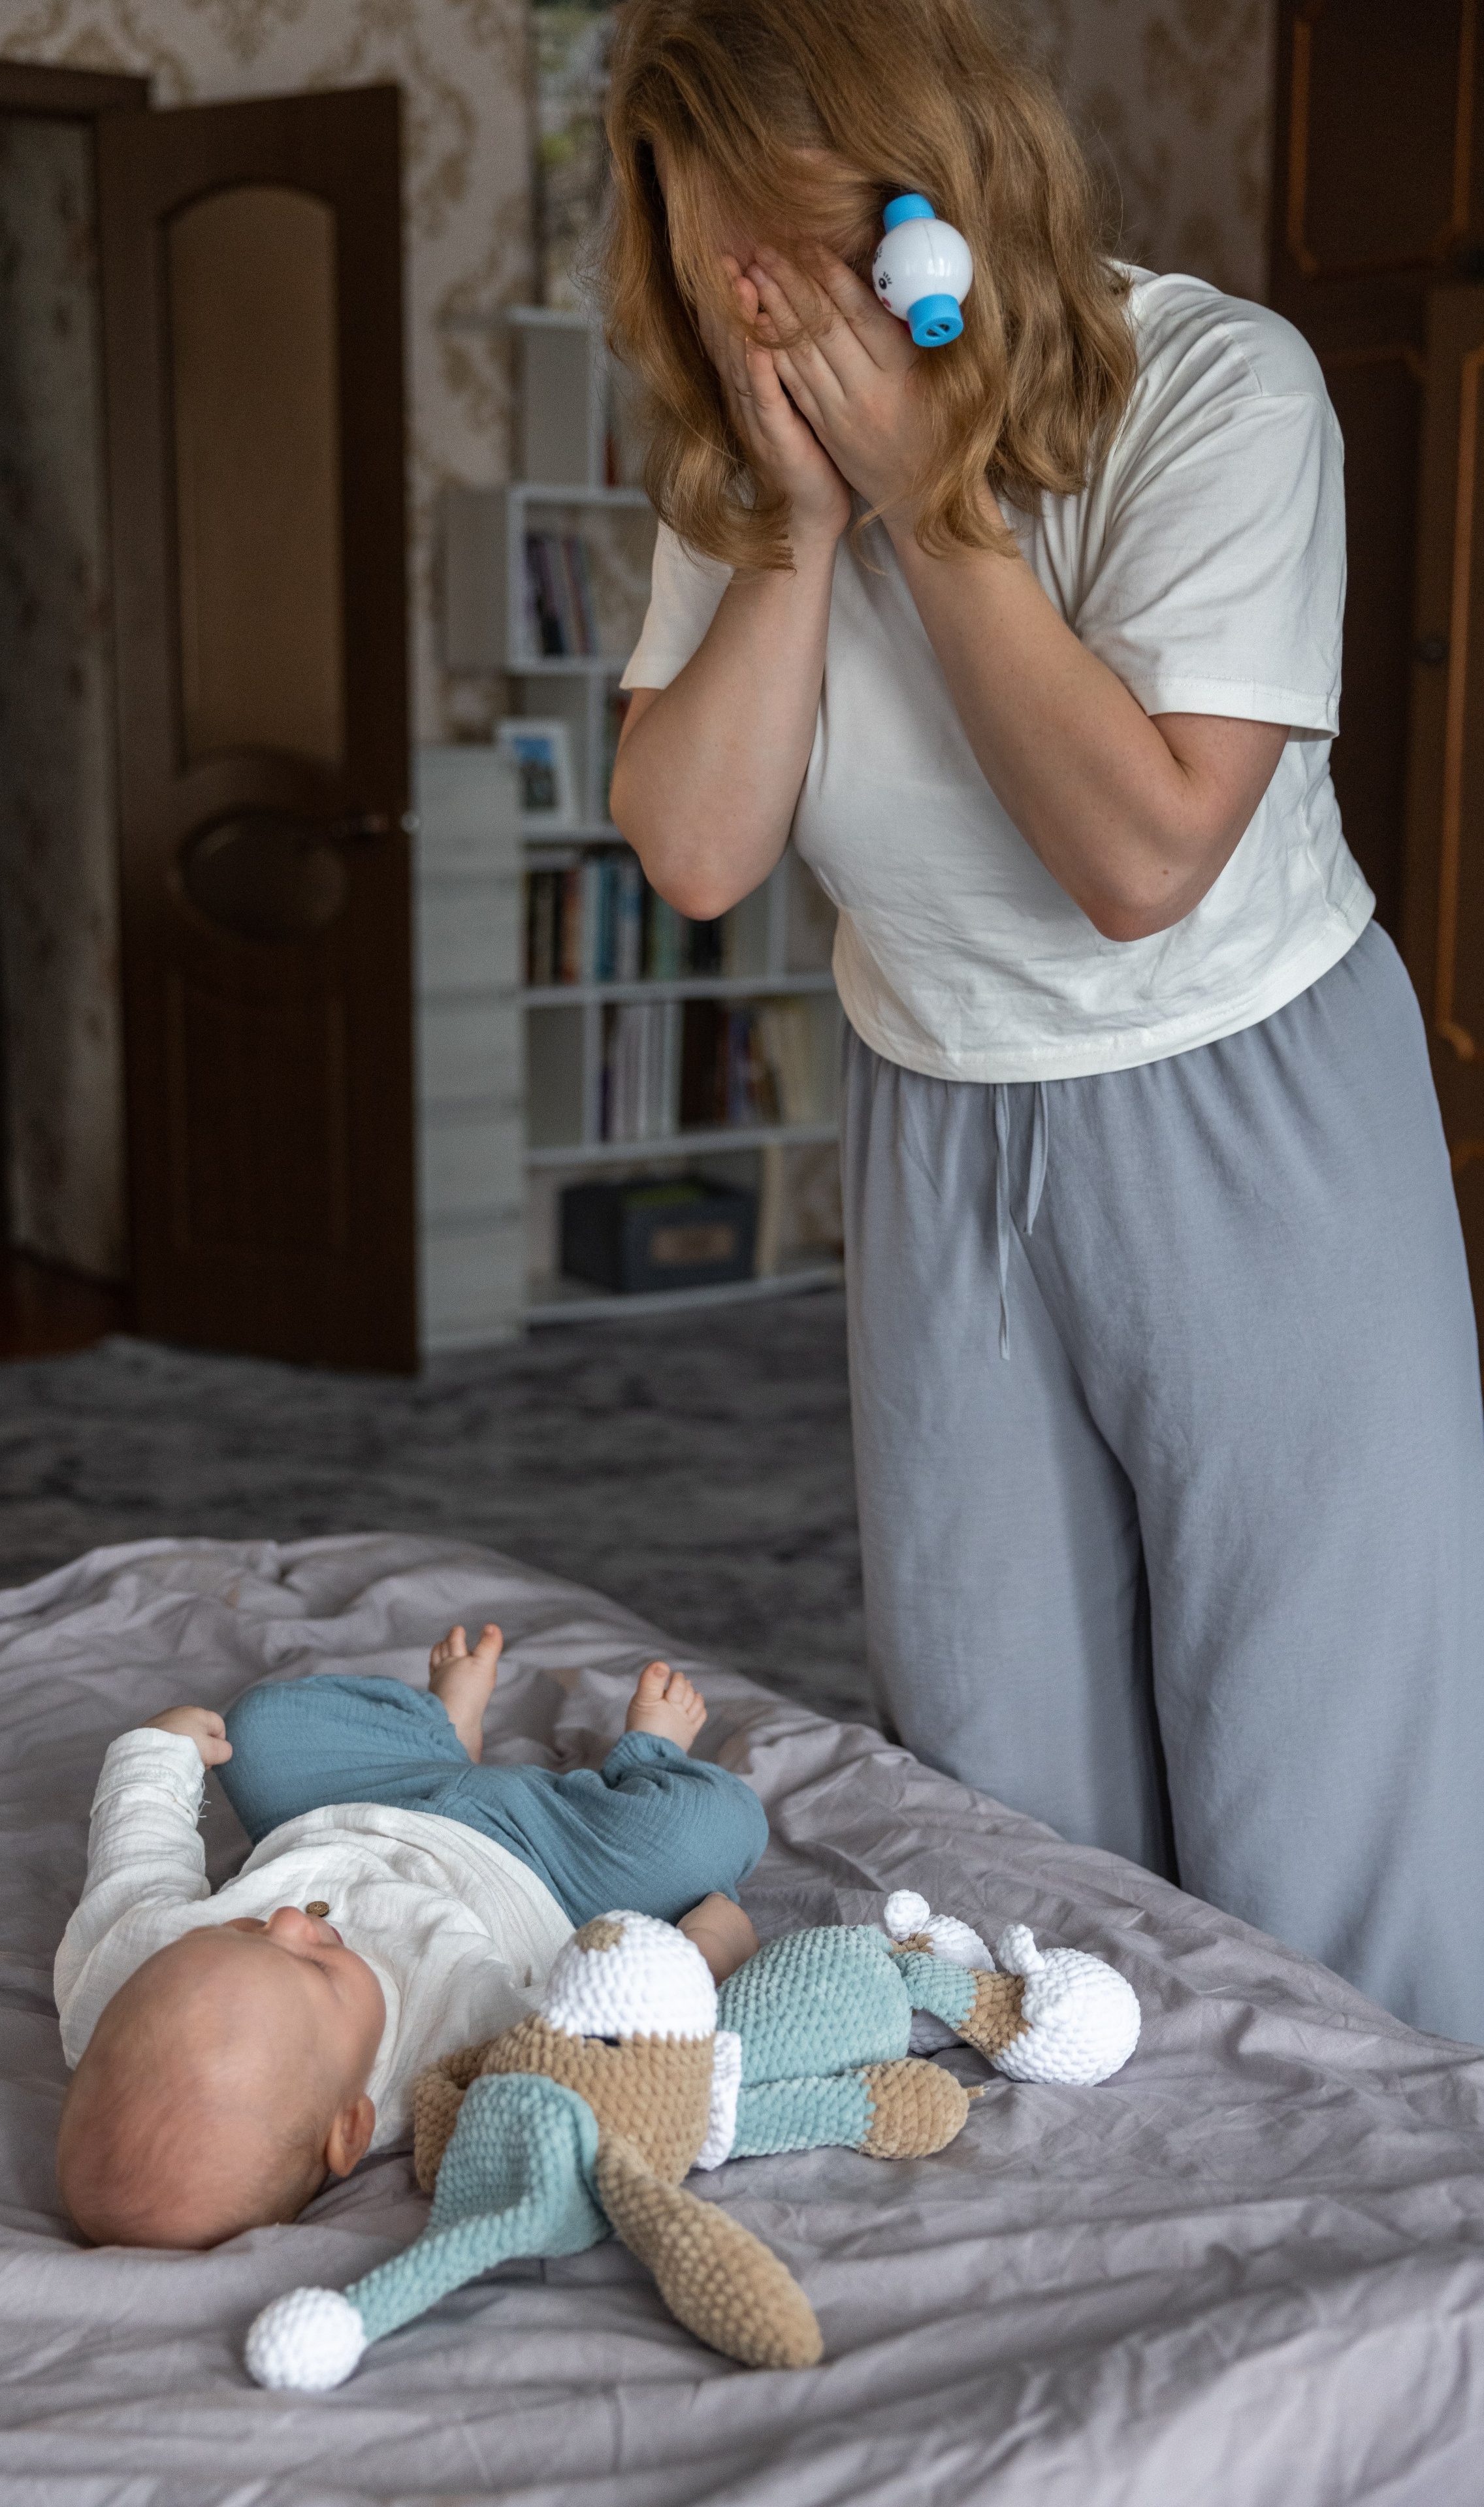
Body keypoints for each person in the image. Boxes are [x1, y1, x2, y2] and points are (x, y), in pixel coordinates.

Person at [605, 0, 1484, 2043]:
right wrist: (807, 532)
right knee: (993, 1788)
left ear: (926, 200)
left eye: (785, 249)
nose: (754, 310)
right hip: (941, 1130)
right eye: (707, 263)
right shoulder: (750, 473)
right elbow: (696, 845)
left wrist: (933, 507)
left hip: (1248, 1119)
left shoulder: (1219, 386)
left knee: (1314, 1779)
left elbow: (1141, 854)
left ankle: (1379, 2262)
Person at [54, 1628, 766, 2248]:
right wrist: (703, 1956)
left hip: (362, 1800)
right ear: (352, 2126)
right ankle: (656, 1757)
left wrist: (159, 1751)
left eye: (244, 1928)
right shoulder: (453, 2061)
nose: (290, 1921)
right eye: (319, 1967)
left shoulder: (119, 1975)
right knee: (702, 1838)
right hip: (551, 1864)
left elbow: (135, 1857)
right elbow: (609, 2037)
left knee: (260, 1729)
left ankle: (444, 1736)